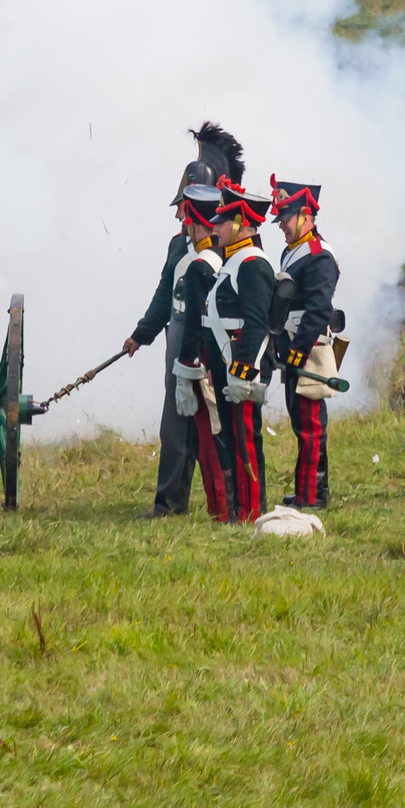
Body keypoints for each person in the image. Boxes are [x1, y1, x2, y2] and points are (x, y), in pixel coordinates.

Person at [124, 125, 241, 516]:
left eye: (182, 207)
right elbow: (164, 294)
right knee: (175, 424)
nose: (177, 213)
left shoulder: (226, 249)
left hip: (213, 341)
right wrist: (141, 334)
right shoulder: (179, 244)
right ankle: (170, 500)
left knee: (215, 425)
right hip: (178, 336)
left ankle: (226, 501)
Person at [180, 178, 276, 525]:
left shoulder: (252, 264)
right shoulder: (235, 262)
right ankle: (238, 510)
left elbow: (254, 323)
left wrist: (243, 371)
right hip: (226, 364)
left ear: (240, 223)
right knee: (233, 438)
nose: (215, 226)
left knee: (246, 440)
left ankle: (251, 513)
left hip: (241, 368)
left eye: (222, 221)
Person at [266, 178, 342, 510]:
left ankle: (313, 495)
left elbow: (319, 309)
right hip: (292, 346)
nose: (281, 224)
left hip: (308, 350)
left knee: (311, 426)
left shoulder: (319, 256)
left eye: (287, 216)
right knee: (301, 423)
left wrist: (297, 351)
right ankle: (306, 489)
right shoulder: (291, 251)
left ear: (306, 215)